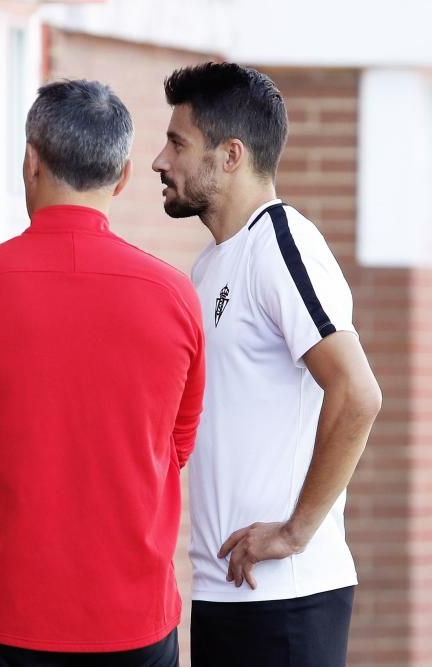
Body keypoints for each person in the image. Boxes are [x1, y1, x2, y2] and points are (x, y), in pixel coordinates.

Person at [0, 79, 205, 667]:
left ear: (31, 163)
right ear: (124, 175)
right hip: (133, 617)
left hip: (3, 610)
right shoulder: (176, 295)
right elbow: (176, 447)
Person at [152, 62, 382, 667]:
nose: (160, 161)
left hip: (288, 599)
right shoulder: (208, 268)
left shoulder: (281, 243)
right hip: (225, 593)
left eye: (177, 143)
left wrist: (295, 532)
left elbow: (357, 391)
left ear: (230, 155)